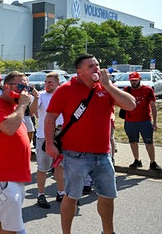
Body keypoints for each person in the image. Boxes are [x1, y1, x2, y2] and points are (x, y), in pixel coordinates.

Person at [45, 54, 136, 234]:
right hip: (75, 154)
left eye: (97, 64)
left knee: (108, 196)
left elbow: (131, 105)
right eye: (91, 66)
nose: (97, 68)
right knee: (71, 197)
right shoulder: (66, 89)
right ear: (80, 72)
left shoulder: (105, 87)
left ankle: (108, 232)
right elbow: (50, 117)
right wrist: (49, 143)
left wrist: (108, 85)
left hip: (103, 154)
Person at [0, 71, 32, 234]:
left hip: (12, 174)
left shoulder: (14, 107)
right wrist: (23, 104)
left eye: (27, 87)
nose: (25, 91)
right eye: (22, 86)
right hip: (2, 175)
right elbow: (8, 128)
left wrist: (22, 104)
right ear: (7, 86)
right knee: (14, 229)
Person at [31, 72, 65, 208]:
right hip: (43, 137)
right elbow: (33, 111)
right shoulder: (41, 96)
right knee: (43, 168)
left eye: (50, 82)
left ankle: (61, 192)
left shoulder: (63, 96)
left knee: (60, 166)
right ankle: (40, 194)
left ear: (58, 83)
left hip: (61, 137)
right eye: (46, 82)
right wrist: (34, 98)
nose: (47, 84)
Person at [122, 71, 161, 170]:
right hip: (130, 121)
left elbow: (153, 106)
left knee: (149, 142)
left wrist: (155, 122)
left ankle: (152, 162)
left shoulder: (147, 90)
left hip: (144, 120)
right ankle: (137, 160)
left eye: (135, 80)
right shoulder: (127, 90)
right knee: (133, 142)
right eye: (131, 81)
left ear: (140, 79)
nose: (133, 83)